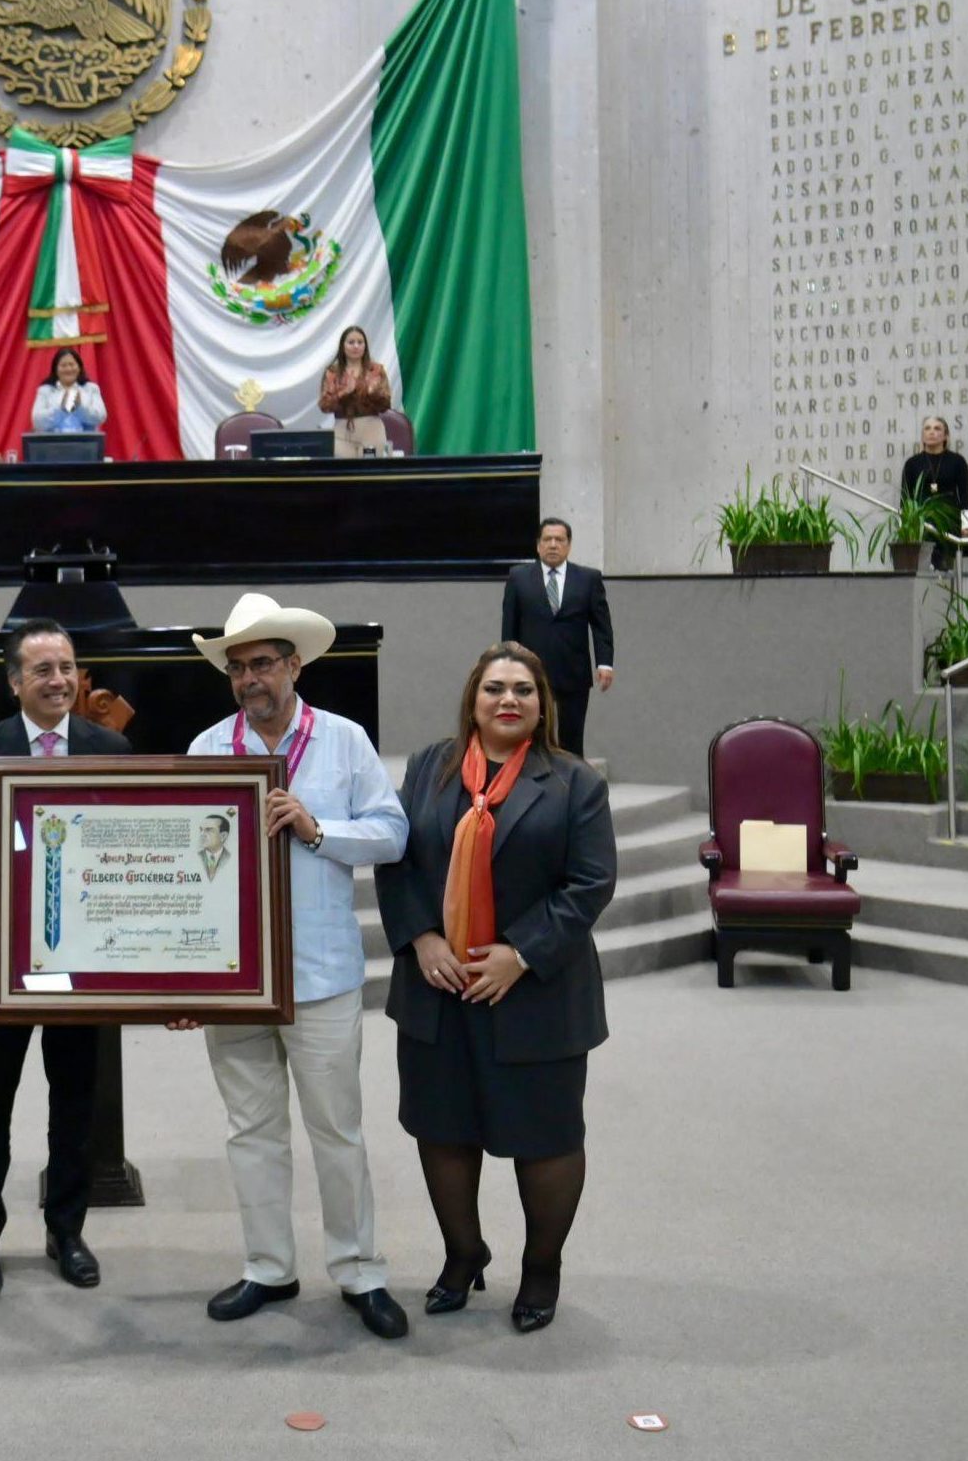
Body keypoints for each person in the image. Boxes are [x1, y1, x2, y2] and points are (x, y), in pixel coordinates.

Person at [174, 592, 413, 1340]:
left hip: (320, 972)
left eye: (264, 662)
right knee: (251, 1129)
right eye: (238, 666)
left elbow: (393, 834)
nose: (251, 677)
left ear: (295, 664)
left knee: (336, 1129)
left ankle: (360, 1269)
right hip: (234, 978)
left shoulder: (343, 741)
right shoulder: (207, 750)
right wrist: (181, 979)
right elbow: (185, 875)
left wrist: (318, 828)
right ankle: (269, 1266)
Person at [376, 644, 617, 1335]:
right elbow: (397, 860)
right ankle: (462, 1254)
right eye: (494, 688)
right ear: (472, 699)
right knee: (443, 1127)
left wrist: (521, 952)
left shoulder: (573, 782)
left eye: (522, 690)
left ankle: (541, 1268)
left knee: (544, 1137)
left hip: (536, 993)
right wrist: (420, 936)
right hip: (438, 986)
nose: (508, 700)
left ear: (543, 704)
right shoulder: (428, 768)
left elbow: (590, 882)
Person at [0, 618, 133, 1297]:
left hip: (83, 957)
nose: (57, 680)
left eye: (67, 667)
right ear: (15, 680)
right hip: (0, 956)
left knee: (75, 1101)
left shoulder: (108, 746)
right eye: (42, 669)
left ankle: (66, 1229)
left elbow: (124, 847)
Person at [499, 519, 615, 759]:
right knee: (531, 732)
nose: (553, 545)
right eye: (547, 540)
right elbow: (509, 626)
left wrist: (604, 663)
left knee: (572, 736)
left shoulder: (588, 579)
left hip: (573, 670)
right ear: (538, 545)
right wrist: (506, 664)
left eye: (559, 540)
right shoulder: (519, 578)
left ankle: (572, 785)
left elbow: (601, 625)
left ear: (569, 545)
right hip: (530, 671)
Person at [900, 417, 968, 573]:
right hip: (922, 525)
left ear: (946, 436)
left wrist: (967, 525)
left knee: (947, 573)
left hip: (949, 524)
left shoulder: (957, 461)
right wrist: (905, 528)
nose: (932, 432)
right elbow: (905, 498)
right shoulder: (912, 464)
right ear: (922, 435)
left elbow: (965, 495)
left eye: (937, 428)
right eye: (927, 428)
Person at [317, 325, 393, 458]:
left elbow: (386, 404)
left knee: (370, 474)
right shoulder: (333, 372)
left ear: (365, 346)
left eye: (360, 342)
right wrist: (344, 392)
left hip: (371, 429)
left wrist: (371, 392)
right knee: (346, 475)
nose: (356, 346)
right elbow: (325, 405)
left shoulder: (376, 370)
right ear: (343, 346)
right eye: (351, 342)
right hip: (342, 431)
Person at [31, 347, 108, 435]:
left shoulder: (91, 388)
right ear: (56, 369)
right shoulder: (45, 391)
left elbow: (100, 417)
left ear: (79, 368)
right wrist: (61, 409)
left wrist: (80, 408)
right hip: (53, 444)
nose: (68, 369)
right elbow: (37, 421)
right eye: (63, 365)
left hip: (86, 444)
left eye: (72, 364)